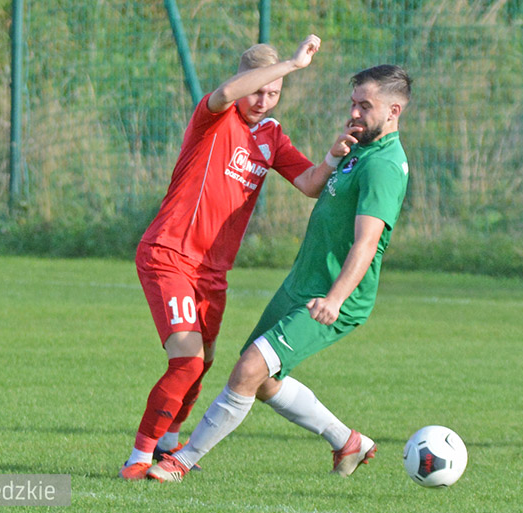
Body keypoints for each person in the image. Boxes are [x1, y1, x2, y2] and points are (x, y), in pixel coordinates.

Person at [146, 64, 412, 483]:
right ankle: (347, 441)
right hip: (302, 285)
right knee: (265, 381)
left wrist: (336, 299)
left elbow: (366, 243)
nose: (355, 113)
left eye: (366, 106)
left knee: (249, 369)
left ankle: (181, 459)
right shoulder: (358, 150)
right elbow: (311, 185)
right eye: (353, 103)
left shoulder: (384, 166)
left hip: (335, 295)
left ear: (394, 110)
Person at [119, 35, 365, 480]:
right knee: (188, 360)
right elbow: (229, 93)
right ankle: (138, 458)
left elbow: (309, 183)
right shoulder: (213, 117)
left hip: (213, 272)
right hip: (169, 254)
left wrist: (332, 155)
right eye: (259, 89)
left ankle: (169, 441)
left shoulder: (270, 136)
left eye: (272, 95)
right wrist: (291, 64)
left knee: (203, 362)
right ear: (242, 81)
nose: (263, 100)